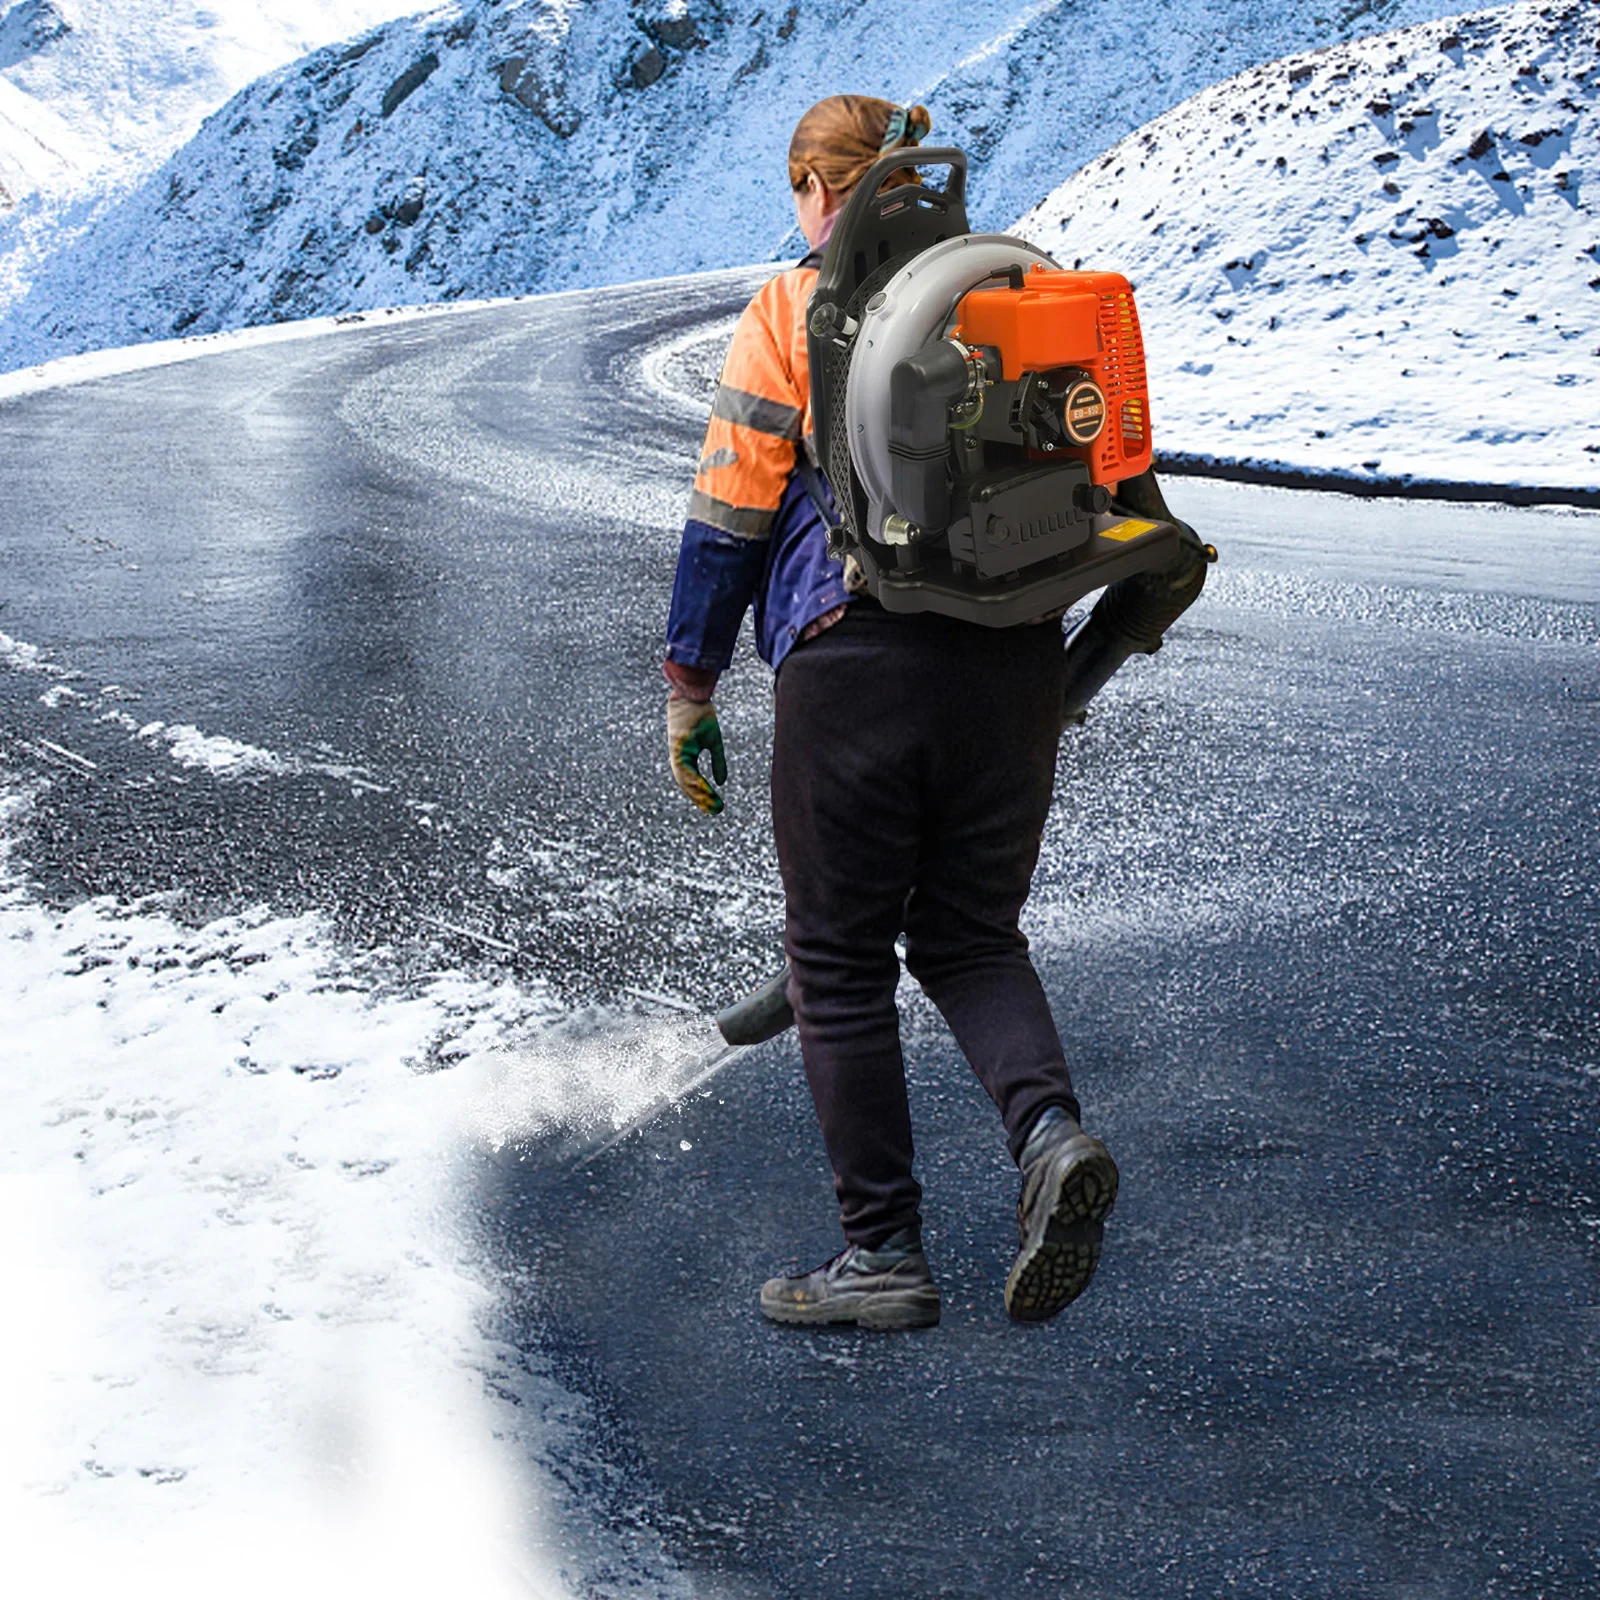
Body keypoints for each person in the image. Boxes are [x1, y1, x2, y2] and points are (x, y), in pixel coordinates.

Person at [663, 95, 1118, 1330]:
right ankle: (1049, 1138)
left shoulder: (788, 312)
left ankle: (881, 1256)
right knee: (969, 935)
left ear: (820, 188)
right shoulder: (1023, 292)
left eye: (798, 187)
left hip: (853, 659)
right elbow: (1109, 482)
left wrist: (689, 682)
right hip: (1016, 655)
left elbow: (728, 516)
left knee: (840, 960)